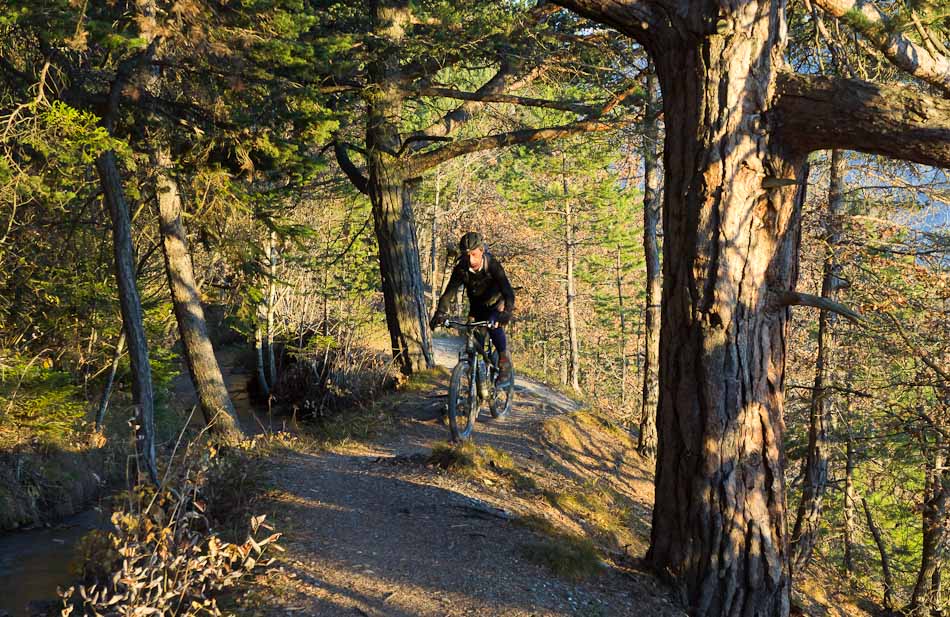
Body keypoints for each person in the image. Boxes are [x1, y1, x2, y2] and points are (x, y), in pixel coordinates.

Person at [430, 231, 515, 384]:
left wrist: (507, 312)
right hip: (477, 306)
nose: (471, 259)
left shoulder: (493, 265)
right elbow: (449, 292)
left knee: (494, 325)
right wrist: (440, 313)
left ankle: (504, 361)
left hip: (497, 303)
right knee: (474, 342)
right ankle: (476, 388)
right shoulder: (461, 268)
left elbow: (508, 292)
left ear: (481, 251)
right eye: (467, 255)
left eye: (474, 254)